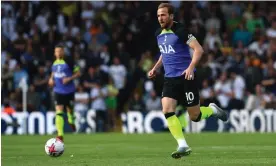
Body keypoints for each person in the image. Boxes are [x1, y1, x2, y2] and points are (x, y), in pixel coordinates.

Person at [148, 3, 228, 159]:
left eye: (163, 15)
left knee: (195, 116)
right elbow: (165, 53)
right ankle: (182, 145)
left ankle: (211, 110)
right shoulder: (158, 33)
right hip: (170, 78)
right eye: (158, 15)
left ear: (171, 16)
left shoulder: (181, 31)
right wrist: (155, 68)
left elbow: (199, 50)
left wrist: (191, 68)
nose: (160, 18)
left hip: (186, 77)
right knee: (167, 110)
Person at [48, 44, 81, 141]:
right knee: (59, 111)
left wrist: (69, 78)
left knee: (70, 110)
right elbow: (53, 72)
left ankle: (71, 120)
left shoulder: (69, 61)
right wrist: (51, 79)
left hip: (69, 91)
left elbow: (78, 73)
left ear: (63, 52)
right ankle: (60, 134)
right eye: (56, 51)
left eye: (59, 51)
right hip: (58, 91)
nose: (58, 53)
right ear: (54, 53)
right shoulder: (54, 63)